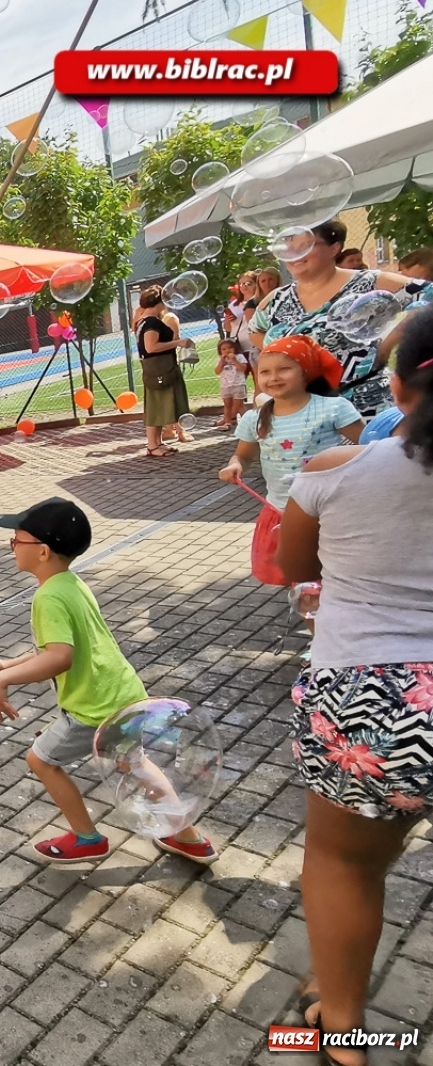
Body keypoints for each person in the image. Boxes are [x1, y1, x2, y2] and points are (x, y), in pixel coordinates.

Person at [274, 312, 433, 1065]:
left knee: (345, 862)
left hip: (374, 699)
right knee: (375, 848)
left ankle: (340, 1026)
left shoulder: (334, 472)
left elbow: (295, 566)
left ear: (398, 384)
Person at [0, 498, 218, 865]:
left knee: (40, 760)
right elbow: (57, 650)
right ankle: (189, 838)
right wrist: (7, 665)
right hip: (121, 694)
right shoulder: (69, 582)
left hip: (92, 708)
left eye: (16, 539)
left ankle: (86, 837)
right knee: (134, 764)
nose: (11, 545)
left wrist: (3, 681)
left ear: (42, 552)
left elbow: (60, 657)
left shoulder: (48, 596)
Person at [250, 219, 414, 416]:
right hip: (304, 414)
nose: (296, 254)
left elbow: (428, 298)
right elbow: (254, 330)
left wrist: (388, 343)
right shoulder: (277, 298)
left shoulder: (371, 282)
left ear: (334, 248)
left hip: (367, 409)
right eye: (289, 248)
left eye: (305, 246)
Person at [219, 336, 363, 517]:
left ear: (305, 372)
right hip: (279, 511)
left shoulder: (333, 408)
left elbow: (368, 448)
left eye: (284, 369)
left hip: (331, 511)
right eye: (264, 372)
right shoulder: (253, 419)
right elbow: (243, 456)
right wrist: (235, 466)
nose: (273, 378)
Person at [133, 285, 197, 457]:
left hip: (156, 368)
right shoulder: (151, 322)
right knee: (155, 407)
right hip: (159, 368)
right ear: (159, 301)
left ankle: (158, 443)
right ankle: (153, 446)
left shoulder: (143, 321)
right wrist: (178, 343)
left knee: (158, 406)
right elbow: (151, 346)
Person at [213, 339, 250, 431]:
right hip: (225, 385)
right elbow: (217, 371)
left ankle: (248, 422)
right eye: (224, 349)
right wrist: (222, 361)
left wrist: (234, 360)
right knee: (227, 405)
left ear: (235, 348)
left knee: (239, 405)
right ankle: (228, 422)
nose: (227, 351)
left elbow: (243, 368)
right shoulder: (220, 359)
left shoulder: (240, 356)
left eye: (230, 348)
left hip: (238, 384)